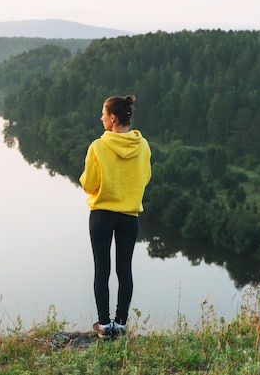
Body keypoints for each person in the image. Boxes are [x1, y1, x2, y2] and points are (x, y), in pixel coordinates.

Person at [79, 94, 152, 339]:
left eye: (103, 114)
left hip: (101, 215)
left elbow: (89, 183)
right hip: (129, 216)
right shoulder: (143, 146)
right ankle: (120, 324)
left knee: (102, 269)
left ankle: (103, 324)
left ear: (112, 118)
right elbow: (146, 178)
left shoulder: (98, 147)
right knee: (125, 270)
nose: (100, 118)